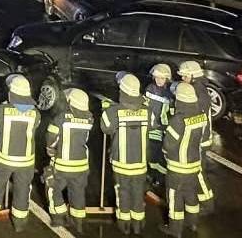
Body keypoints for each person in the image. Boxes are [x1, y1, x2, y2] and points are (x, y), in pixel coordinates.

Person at [0, 74, 40, 232]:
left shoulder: (2, 110)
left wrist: (5, 105)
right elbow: (36, 126)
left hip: (4, 159)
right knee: (23, 189)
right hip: (26, 161)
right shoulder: (35, 113)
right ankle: (19, 223)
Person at [101, 73, 148, 235]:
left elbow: (105, 128)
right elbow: (154, 126)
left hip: (121, 162)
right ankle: (138, 224)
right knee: (138, 192)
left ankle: (124, 223)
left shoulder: (114, 111)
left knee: (123, 192)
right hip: (140, 163)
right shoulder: (146, 110)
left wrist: (106, 109)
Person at [160, 82, 206, 237]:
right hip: (194, 164)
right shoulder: (200, 114)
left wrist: (165, 152)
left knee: (174, 197)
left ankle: (175, 229)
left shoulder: (177, 120)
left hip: (178, 167)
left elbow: (168, 144)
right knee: (191, 194)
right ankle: (192, 223)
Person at [45, 88, 93, 232]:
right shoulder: (90, 117)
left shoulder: (60, 118)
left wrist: (50, 150)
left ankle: (58, 217)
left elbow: (51, 137)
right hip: (81, 166)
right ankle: (78, 222)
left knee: (52, 187)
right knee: (77, 192)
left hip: (62, 165)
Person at [177, 61, 215, 213]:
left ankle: (207, 203)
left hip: (199, 140)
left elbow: (195, 119)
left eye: (184, 76)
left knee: (198, 172)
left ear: (192, 76)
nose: (182, 79)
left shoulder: (198, 94)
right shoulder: (198, 89)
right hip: (198, 138)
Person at [144, 63, 174, 190]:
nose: (159, 80)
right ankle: (151, 175)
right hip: (149, 128)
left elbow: (171, 114)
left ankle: (159, 178)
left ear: (167, 79)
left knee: (159, 156)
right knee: (149, 153)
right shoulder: (149, 88)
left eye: (162, 78)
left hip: (162, 129)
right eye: (157, 78)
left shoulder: (169, 94)